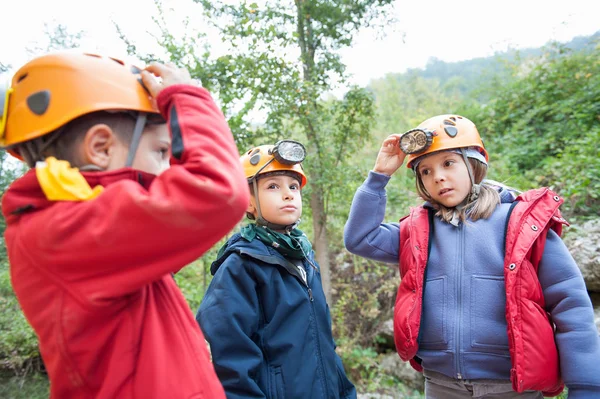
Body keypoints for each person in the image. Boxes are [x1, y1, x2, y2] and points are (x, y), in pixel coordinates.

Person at [0, 52, 250, 398]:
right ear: (100, 148)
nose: (170, 167)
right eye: (162, 152)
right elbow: (218, 193)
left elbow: (198, 211)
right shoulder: (65, 232)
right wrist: (188, 99)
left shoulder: (82, 227)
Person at [344, 114, 600, 399]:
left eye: (448, 163)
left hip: (512, 387)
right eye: (425, 171)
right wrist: (379, 176)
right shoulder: (417, 230)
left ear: (474, 164)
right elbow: (359, 238)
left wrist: (586, 387)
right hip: (440, 384)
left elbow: (571, 305)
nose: (438, 176)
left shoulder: (523, 224)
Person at [196, 140, 357, 399]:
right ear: (247, 202)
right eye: (273, 186)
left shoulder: (304, 258)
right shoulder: (241, 265)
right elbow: (231, 360)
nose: (288, 194)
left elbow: (323, 344)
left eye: (293, 186)